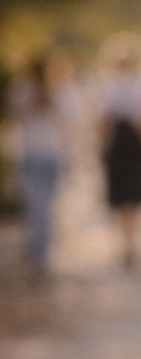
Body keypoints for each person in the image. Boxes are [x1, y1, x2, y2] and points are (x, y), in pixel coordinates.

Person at [96, 36, 141, 270]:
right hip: (135, 144)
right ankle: (133, 243)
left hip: (117, 145)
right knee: (136, 195)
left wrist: (102, 147)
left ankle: (125, 243)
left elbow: (103, 121)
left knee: (121, 196)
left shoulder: (108, 85)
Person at [7, 56, 69, 278]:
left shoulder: (22, 91)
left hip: (33, 155)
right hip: (46, 155)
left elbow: (15, 118)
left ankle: (38, 253)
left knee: (36, 207)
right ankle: (38, 252)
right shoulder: (51, 90)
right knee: (43, 209)